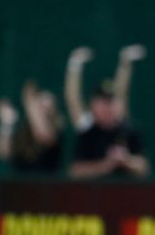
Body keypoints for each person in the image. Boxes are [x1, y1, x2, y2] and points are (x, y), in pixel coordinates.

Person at [64, 45, 150, 179]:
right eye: (102, 102)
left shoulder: (128, 129)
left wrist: (125, 160)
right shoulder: (86, 127)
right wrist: (74, 65)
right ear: (93, 104)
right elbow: (72, 99)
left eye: (110, 102)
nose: (107, 107)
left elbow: (121, 92)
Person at [0, 80, 64, 173]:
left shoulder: (56, 131)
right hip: (19, 184)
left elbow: (43, 134)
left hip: (45, 185)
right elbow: (4, 152)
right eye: (41, 102)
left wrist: (28, 98)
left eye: (47, 104)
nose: (42, 107)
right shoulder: (23, 131)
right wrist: (7, 124)